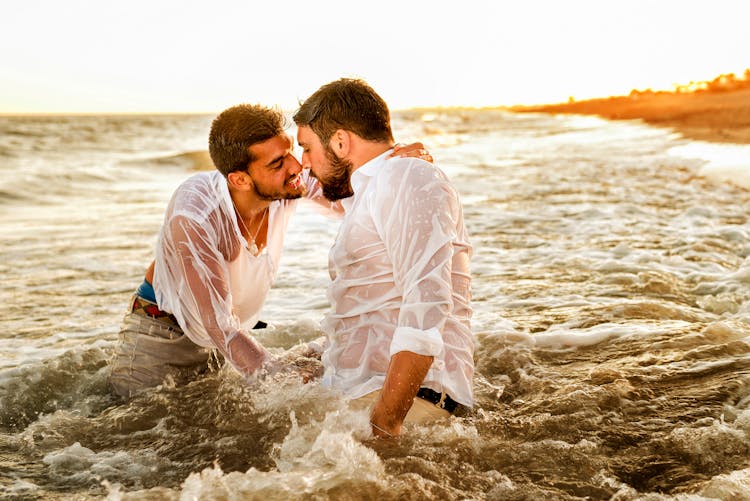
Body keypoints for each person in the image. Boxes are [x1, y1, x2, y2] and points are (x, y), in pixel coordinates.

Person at [109, 103, 430, 398]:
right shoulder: (195, 215)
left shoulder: (286, 184)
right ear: (239, 179)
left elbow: (352, 197)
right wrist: (285, 382)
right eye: (277, 162)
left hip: (222, 338)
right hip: (159, 340)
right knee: (145, 440)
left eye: (290, 151)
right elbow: (218, 326)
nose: (295, 166)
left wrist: (393, 166)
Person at [293, 79, 474, 438]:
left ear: (341, 142)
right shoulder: (371, 188)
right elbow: (295, 184)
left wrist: (384, 423)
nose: (304, 163)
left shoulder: (406, 176)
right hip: (367, 395)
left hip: (408, 405)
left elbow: (426, 306)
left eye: (307, 148)